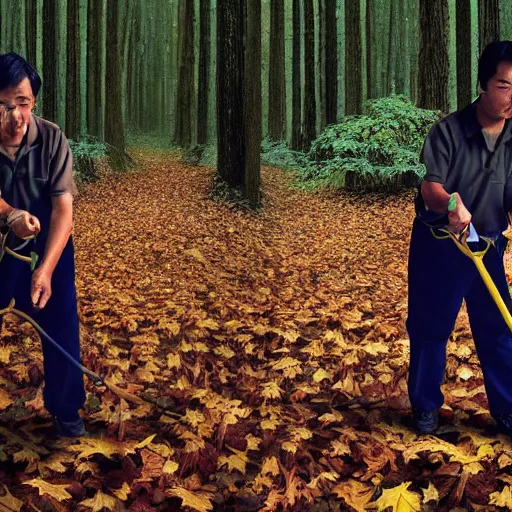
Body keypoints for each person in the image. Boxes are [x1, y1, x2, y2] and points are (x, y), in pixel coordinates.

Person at [408, 40, 512, 435]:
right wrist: (452, 203)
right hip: (441, 246)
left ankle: (507, 408)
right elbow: (429, 187)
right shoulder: (448, 130)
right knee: (430, 325)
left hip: (487, 244)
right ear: (483, 86)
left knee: (499, 326)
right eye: (504, 86)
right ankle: (425, 407)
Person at [0, 52, 86, 437]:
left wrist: (46, 268)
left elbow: (63, 209)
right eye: (2, 104)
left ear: (33, 103)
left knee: (62, 319)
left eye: (22, 103)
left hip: (46, 243)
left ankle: (66, 410)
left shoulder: (52, 138)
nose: (14, 116)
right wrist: (11, 215)